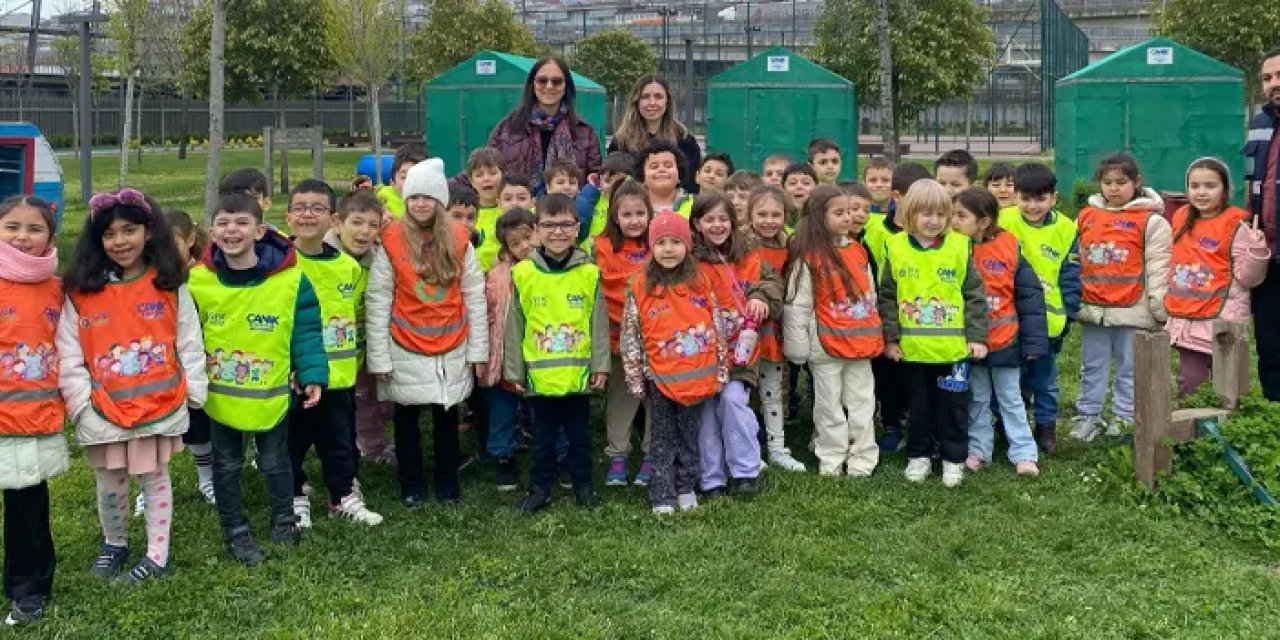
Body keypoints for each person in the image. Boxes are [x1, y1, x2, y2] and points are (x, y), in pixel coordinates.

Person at [58, 189, 207, 583]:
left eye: (129, 230)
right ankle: (115, 543)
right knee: (110, 484)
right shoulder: (80, 292)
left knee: (154, 479)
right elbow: (68, 351)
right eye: (109, 234)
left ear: (149, 231)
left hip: (158, 403)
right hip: (103, 407)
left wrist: (194, 391)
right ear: (97, 239)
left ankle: (157, 556)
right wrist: (81, 403)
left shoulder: (169, 284)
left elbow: (189, 339)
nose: (119, 241)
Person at [187, 191, 327, 565]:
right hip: (221, 398)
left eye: (241, 222)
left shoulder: (291, 281)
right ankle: (235, 529)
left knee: (276, 461)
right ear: (212, 232)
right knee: (226, 464)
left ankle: (284, 521)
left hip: (271, 393)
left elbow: (307, 330)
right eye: (223, 222)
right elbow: (183, 334)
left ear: (260, 230)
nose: (231, 230)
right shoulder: (196, 281)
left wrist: (312, 373)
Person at [365, 159, 488, 508]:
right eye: (414, 197)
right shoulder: (391, 240)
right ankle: (412, 483)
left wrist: (478, 351)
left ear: (440, 201)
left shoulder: (460, 240)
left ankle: (447, 482)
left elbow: (474, 296)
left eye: (428, 197)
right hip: (404, 344)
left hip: (451, 343)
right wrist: (379, 358)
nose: (421, 204)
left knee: (446, 417)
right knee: (406, 419)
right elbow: (378, 299)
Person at [283, 181, 382, 527]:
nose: (308, 214)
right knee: (292, 442)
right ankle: (294, 497)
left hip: (339, 376)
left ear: (333, 220)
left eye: (318, 208)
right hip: (294, 376)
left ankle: (342, 497)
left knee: (340, 440)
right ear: (288, 217)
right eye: (300, 207)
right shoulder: (280, 263)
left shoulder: (347, 267)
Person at [877, 180, 987, 487]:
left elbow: (974, 296)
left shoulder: (960, 246)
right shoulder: (895, 246)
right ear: (910, 213)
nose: (934, 221)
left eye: (941, 214)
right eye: (926, 213)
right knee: (919, 407)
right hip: (913, 350)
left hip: (954, 351)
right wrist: (891, 339)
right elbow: (887, 297)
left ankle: (954, 459)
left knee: (953, 409)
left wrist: (977, 337)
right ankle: (919, 456)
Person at [505, 193, 609, 514]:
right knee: (542, 439)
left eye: (565, 224)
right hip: (540, 377)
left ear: (577, 228)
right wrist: (514, 371)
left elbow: (598, 324)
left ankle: (584, 488)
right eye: (549, 225)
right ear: (537, 230)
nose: (558, 232)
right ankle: (539, 489)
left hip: (578, 376)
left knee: (579, 437)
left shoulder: (589, 273)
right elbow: (514, 325)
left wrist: (601, 366)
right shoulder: (524, 273)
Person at [622, 212, 727, 514]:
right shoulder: (640, 285)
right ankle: (662, 494)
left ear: (687, 246)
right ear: (652, 247)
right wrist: (634, 376)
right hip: (660, 377)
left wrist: (721, 368)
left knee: (689, 435)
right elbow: (631, 334)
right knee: (662, 437)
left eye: (676, 242)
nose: (668, 249)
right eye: (661, 243)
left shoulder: (700, 280)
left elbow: (716, 325)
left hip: (695, 377)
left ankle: (686, 486)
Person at [784, 185, 883, 476]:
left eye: (849, 211)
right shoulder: (808, 256)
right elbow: (797, 305)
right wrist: (798, 347)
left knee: (862, 401)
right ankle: (831, 457)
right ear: (818, 216)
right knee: (828, 405)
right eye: (839, 213)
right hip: (825, 344)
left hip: (860, 342)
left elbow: (871, 296)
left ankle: (863, 457)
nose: (847, 218)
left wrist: (875, 329)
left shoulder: (858, 251)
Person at [0, 196, 68, 626]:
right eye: (12, 227)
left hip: (30, 421)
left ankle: (29, 588)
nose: (23, 237)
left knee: (27, 510)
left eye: (34, 228)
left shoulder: (59, 290)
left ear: (50, 236)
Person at [1072, 153, 1170, 441]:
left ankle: (1125, 417)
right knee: (1092, 365)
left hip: (1133, 308)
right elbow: (1074, 258)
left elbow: (1159, 267)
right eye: (1107, 182)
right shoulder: (1086, 216)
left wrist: (1159, 308)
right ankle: (1088, 416)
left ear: (1136, 182)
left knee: (1130, 367)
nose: (1113, 188)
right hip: (1094, 308)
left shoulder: (1152, 221)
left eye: (1121, 182)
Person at [690, 192, 783, 497]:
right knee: (706, 413)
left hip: (740, 352)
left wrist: (760, 297)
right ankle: (711, 477)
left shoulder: (749, 255)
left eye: (723, 219)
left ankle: (745, 471)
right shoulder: (689, 260)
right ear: (697, 224)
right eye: (709, 220)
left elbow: (772, 283)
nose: (717, 225)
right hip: (702, 353)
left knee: (733, 402)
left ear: (733, 221)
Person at [951, 187, 1047, 476]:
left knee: (1011, 399)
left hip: (1005, 339)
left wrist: (1033, 342)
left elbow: (1029, 296)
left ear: (983, 221)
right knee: (977, 399)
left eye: (961, 216)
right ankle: (979, 450)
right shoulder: (952, 247)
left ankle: (1024, 454)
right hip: (969, 341)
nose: (953, 221)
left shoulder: (1008, 245)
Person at [1166, 157, 1269, 396]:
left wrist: (1256, 250)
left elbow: (1248, 278)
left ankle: (1226, 421)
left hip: (1222, 320)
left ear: (1225, 190)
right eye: (1195, 186)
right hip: (1186, 318)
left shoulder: (1237, 226)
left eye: (1210, 186)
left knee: (1228, 386)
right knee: (1190, 381)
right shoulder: (1181, 218)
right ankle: (1191, 418)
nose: (1201, 192)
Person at [999, 163, 1080, 454]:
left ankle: (1046, 429)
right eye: (1026, 198)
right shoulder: (1003, 220)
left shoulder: (1066, 229)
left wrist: (1068, 314)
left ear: (1054, 198)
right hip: (1009, 318)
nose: (1032, 206)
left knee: (1044, 380)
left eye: (1040, 199)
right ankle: (1010, 428)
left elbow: (1071, 277)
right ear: (1015, 196)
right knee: (1012, 379)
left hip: (1048, 323)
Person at [596, 180, 656, 486]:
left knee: (655, 398)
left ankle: (651, 454)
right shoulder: (602, 247)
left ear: (649, 214)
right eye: (627, 214)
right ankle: (617, 455)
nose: (634, 221)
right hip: (618, 339)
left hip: (655, 338)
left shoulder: (659, 244)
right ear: (615, 217)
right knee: (621, 398)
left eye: (640, 213)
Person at [329, 191, 396, 465]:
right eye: (356, 222)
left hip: (363, 345)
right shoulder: (322, 258)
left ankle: (372, 447)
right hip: (328, 350)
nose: (365, 231)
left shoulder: (378, 260)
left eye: (372, 225)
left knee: (366, 397)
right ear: (337, 223)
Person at [746, 185, 804, 471]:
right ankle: (749, 447)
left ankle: (777, 447)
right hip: (747, 326)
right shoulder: (741, 244)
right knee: (745, 392)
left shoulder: (790, 246)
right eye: (762, 214)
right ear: (750, 215)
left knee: (773, 389)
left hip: (776, 327)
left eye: (775, 214)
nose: (769, 221)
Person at [480, 208, 537, 491]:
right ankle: (503, 457)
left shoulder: (548, 270)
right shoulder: (496, 276)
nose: (524, 246)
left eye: (528, 238)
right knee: (502, 409)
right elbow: (486, 314)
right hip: (503, 354)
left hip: (538, 354)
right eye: (515, 243)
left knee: (541, 408)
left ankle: (553, 454)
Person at [487, 57, 602, 195]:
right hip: (518, 207)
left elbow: (595, 181)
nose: (549, 86)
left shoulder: (584, 132)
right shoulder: (507, 128)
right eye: (542, 80)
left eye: (556, 81)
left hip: (570, 207)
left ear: (566, 86)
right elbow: (485, 169)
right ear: (532, 84)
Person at [164, 209, 217, 502]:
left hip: (198, 361)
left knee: (199, 422)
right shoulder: (147, 279)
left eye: (171, 243)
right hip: (157, 366)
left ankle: (207, 477)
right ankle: (151, 485)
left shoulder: (205, 276)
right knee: (153, 431)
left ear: (191, 239)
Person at [1245, 47, 1280, 400]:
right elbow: (1253, 181)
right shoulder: (1261, 123)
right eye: (1267, 78)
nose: (1273, 83)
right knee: (1269, 342)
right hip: (1267, 253)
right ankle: (1274, 414)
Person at [607, 74, 702, 193]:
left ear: (667, 101)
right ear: (636, 101)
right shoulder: (620, 142)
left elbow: (692, 186)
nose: (652, 102)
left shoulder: (685, 140)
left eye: (658, 97)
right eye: (645, 97)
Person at [577, 151, 634, 244]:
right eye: (607, 181)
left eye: (619, 183)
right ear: (600, 179)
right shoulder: (592, 200)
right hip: (588, 250)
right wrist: (590, 190)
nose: (612, 186)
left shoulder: (632, 203)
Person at [467, 147, 506, 272]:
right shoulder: (465, 213)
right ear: (471, 181)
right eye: (479, 175)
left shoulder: (514, 210)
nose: (486, 178)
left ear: (503, 175)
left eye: (493, 173)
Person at [637, 140, 693, 217]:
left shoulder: (696, 205)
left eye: (668, 166)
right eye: (654, 167)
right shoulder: (634, 206)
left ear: (679, 175)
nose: (661, 169)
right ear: (643, 176)